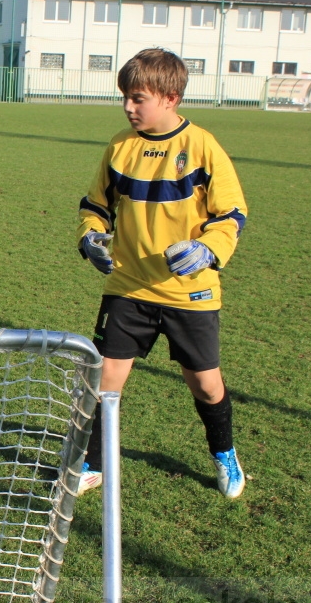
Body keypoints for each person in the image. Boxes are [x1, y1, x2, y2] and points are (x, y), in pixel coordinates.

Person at [76, 48, 248, 499]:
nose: (128, 108)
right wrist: (91, 238)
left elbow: (231, 212)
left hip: (189, 293)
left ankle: (224, 453)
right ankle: (93, 463)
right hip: (128, 287)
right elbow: (96, 205)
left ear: (170, 97)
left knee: (207, 386)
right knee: (104, 380)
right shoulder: (120, 146)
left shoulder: (202, 147)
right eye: (125, 99)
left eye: (138, 99)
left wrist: (207, 249)